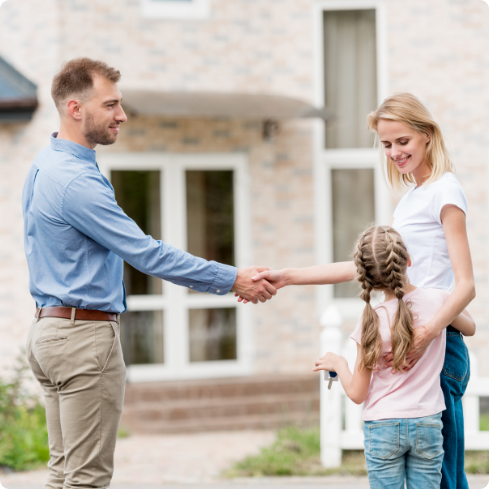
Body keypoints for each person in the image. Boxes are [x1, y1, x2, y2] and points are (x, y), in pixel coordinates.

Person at [22, 58, 277, 489]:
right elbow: (147, 254)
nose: (121, 115)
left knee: (64, 474)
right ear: (75, 108)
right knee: (86, 480)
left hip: (50, 332)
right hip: (82, 339)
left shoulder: (45, 166)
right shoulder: (76, 182)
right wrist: (232, 278)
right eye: (111, 104)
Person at [248, 93, 476, 488]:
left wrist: (426, 333)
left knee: (445, 478)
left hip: (437, 344)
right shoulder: (409, 201)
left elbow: (466, 285)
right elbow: (368, 267)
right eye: (386, 145)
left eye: (402, 141)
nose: (394, 152)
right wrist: (289, 276)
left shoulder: (445, 191)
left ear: (426, 135)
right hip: (413, 338)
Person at [312, 225, 475, 489]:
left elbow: (357, 393)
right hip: (427, 424)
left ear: (365, 277)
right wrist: (434, 326)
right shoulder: (439, 300)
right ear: (408, 260)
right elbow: (471, 328)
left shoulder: (369, 322)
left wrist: (338, 363)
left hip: (382, 427)